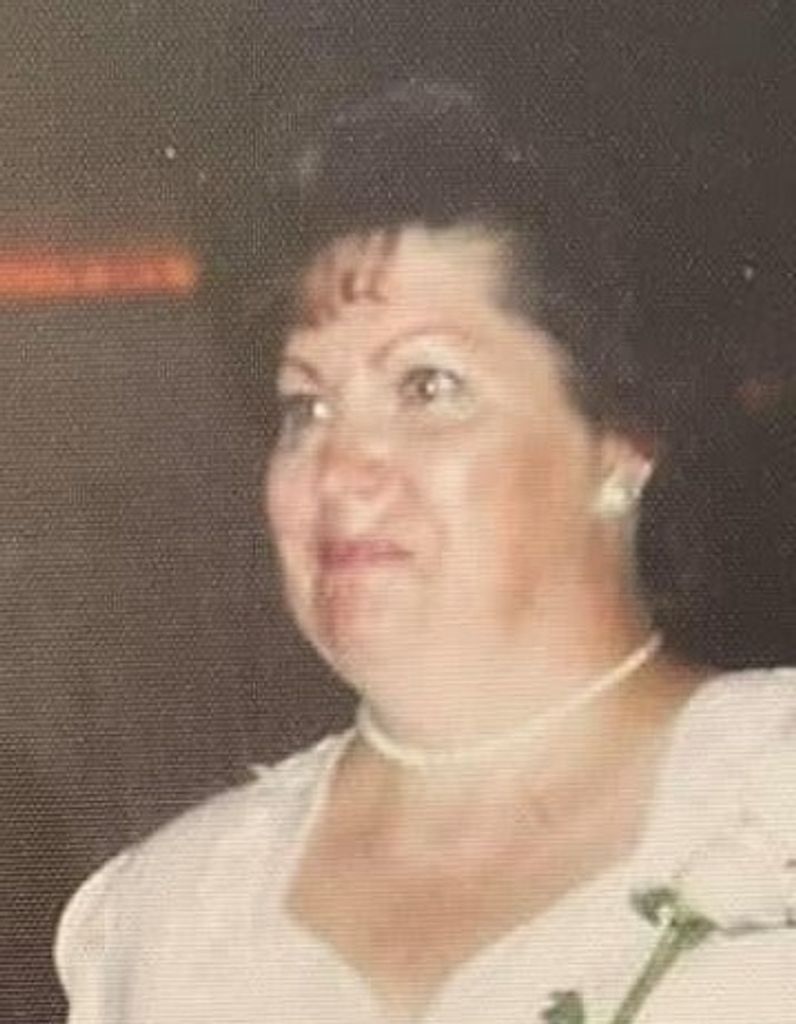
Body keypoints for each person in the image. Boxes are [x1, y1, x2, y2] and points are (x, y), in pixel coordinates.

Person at [56, 81, 796, 1023]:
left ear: (621, 442)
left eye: (426, 387)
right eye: (305, 407)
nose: (338, 470)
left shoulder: (773, 793)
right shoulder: (162, 921)